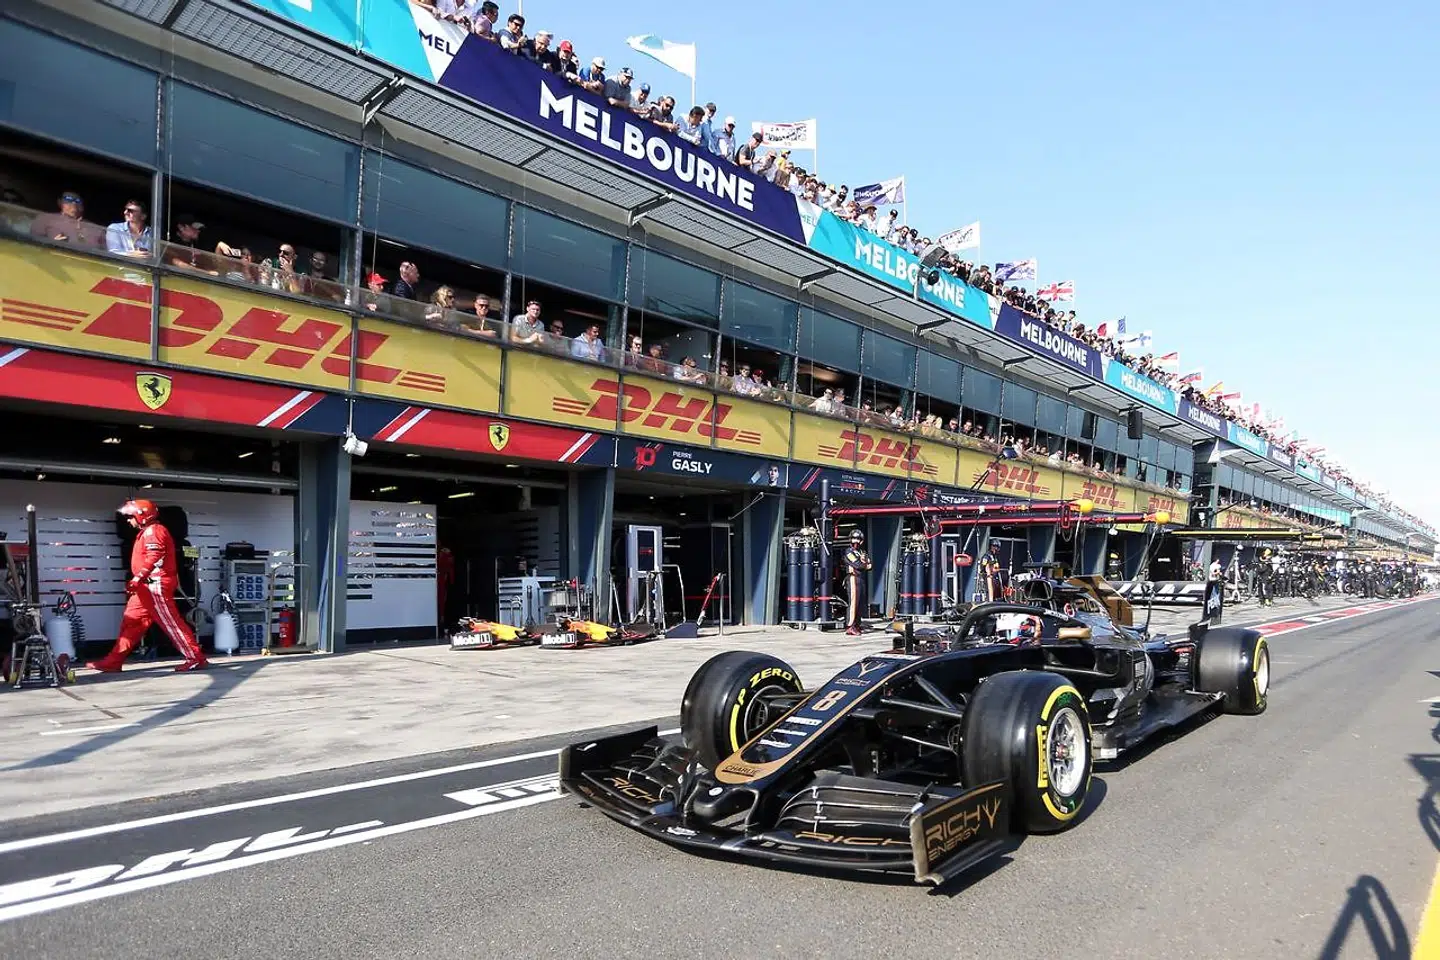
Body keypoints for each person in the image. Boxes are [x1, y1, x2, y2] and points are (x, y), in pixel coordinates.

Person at [86, 499, 208, 673]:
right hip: (146, 586)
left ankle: (196, 657)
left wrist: (138, 578)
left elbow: (155, 555)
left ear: (142, 515)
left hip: (153, 585)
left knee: (171, 623)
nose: (128, 520)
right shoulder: (148, 531)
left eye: (130, 516)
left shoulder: (153, 531)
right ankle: (114, 660)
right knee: (131, 622)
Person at [843, 529, 872, 637]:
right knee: (854, 602)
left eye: (858, 539)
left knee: (860, 603)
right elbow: (858, 565)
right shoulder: (848, 552)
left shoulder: (862, 552)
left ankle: (857, 624)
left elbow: (869, 566)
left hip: (861, 578)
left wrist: (863, 563)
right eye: (854, 538)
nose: (856, 541)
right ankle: (850, 626)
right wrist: (863, 563)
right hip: (853, 578)